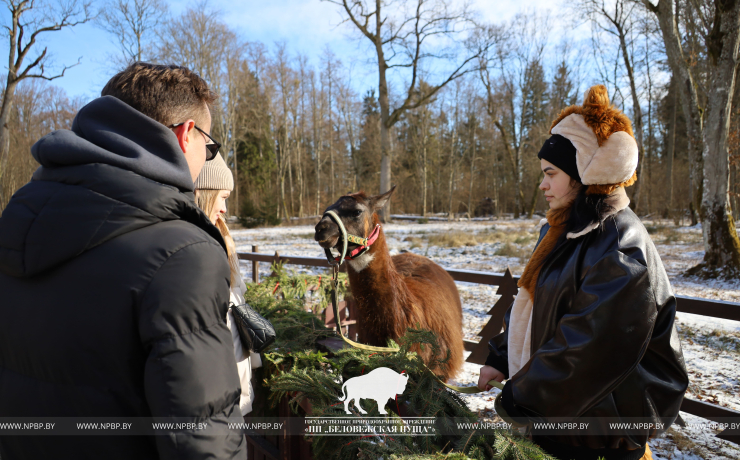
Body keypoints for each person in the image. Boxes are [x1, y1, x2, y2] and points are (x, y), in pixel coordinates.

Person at [0, 63, 246, 459]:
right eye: (209, 146)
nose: (206, 157)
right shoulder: (183, 254)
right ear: (187, 135)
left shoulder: (17, 221)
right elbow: (202, 438)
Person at [477, 85, 688, 460]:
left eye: (551, 173)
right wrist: (500, 356)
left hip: (601, 436)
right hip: (561, 421)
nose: (542, 184)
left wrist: (524, 395)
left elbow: (589, 345)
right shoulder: (563, 231)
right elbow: (539, 305)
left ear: (582, 174)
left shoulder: (622, 246)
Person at [193, 152, 262, 416]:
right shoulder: (197, 245)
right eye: (222, 197)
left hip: (233, 382)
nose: (224, 208)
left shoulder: (221, 237)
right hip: (216, 394)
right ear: (203, 193)